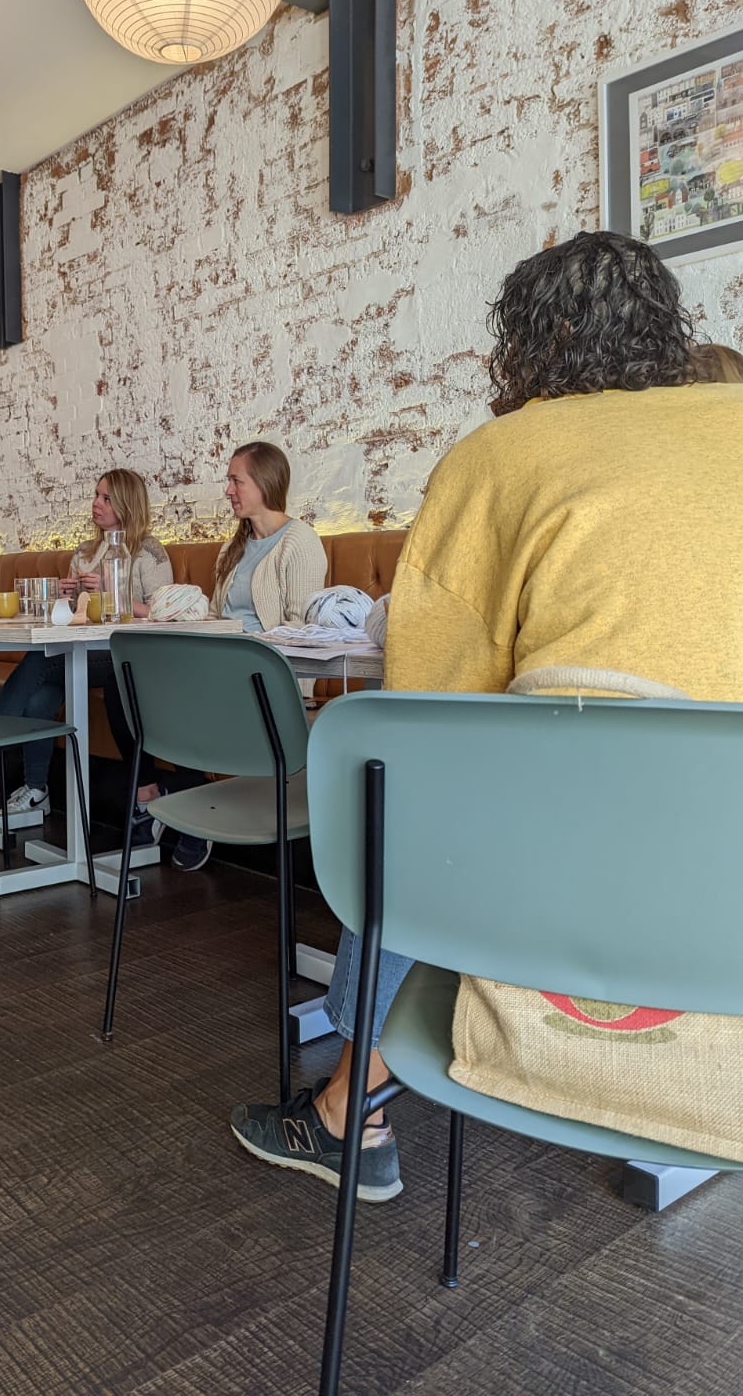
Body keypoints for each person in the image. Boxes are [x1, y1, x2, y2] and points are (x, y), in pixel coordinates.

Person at [231, 229, 743, 1198]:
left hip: (578, 879)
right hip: (723, 882)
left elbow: (429, 713)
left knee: (415, 806)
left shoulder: (502, 457)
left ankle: (350, 1113)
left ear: (533, 340)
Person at [0, 470, 172, 820]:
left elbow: (163, 612)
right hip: (83, 650)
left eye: (106, 498)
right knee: (44, 690)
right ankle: (36, 790)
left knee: (39, 663)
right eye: (96, 495)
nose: (96, 504)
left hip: (125, 655)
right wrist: (67, 598)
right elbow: (76, 618)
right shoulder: (85, 552)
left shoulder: (149, 551)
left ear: (126, 503)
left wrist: (111, 590)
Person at [151, 441, 327, 870]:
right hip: (220, 666)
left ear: (265, 483)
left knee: (167, 698)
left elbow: (303, 632)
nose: (228, 490)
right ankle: (185, 798)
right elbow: (216, 616)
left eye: (236, 480)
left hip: (265, 675)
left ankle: (185, 808)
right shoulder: (235, 548)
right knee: (138, 689)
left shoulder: (299, 543)